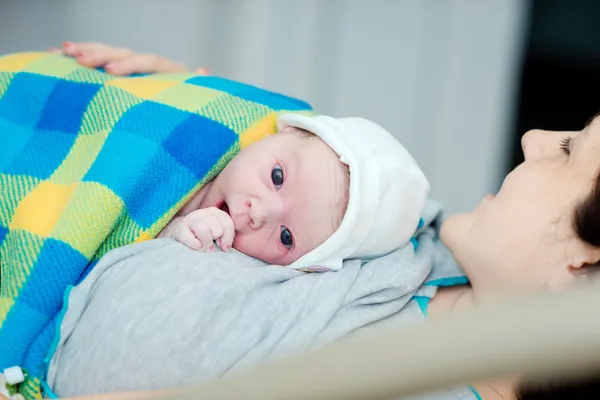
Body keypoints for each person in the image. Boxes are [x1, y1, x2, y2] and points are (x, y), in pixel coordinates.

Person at [41, 42, 600, 400]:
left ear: (583, 264)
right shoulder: (422, 239)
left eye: (571, 151)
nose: (534, 139)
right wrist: (197, 102)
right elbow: (296, 154)